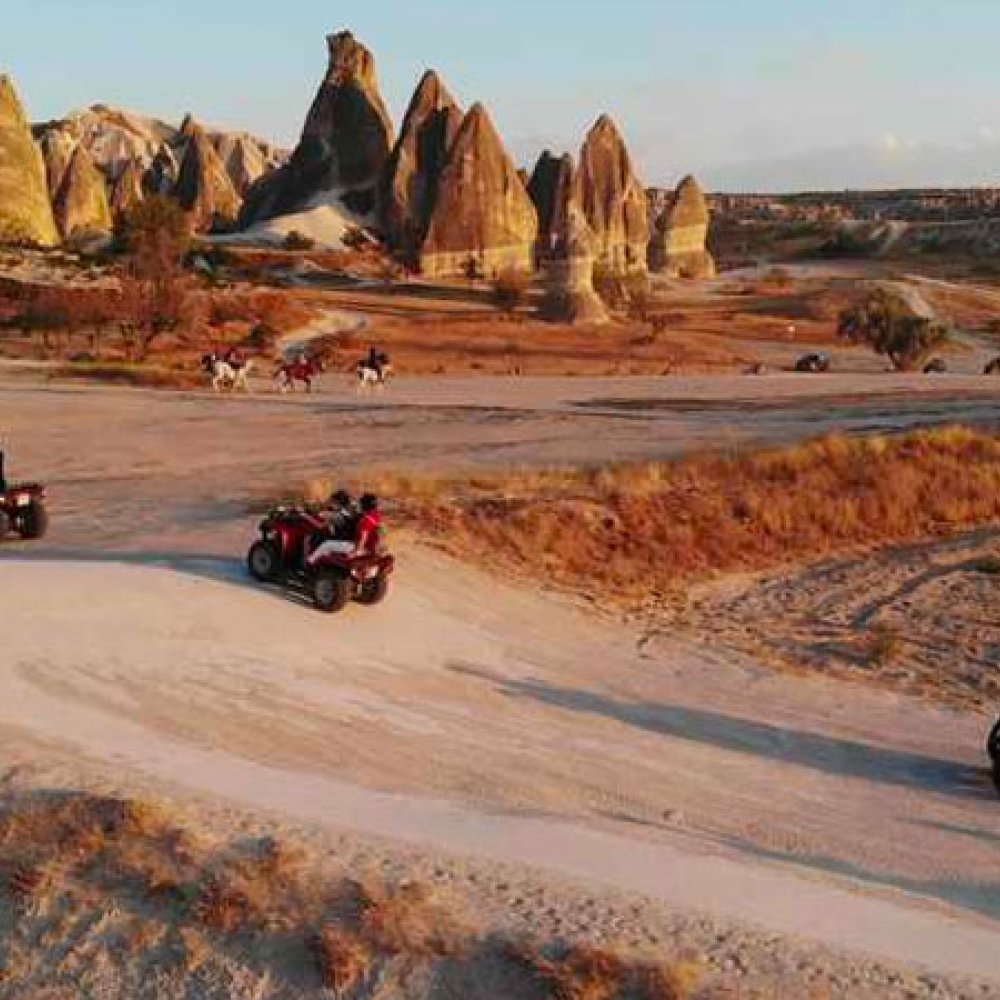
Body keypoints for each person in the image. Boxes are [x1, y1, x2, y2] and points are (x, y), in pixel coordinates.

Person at [306, 493, 382, 568]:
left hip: (356, 546)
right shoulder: (375, 516)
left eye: (361, 503)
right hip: (368, 547)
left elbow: (363, 537)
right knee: (328, 547)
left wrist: (356, 552)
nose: (359, 504)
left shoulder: (365, 520)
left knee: (326, 545)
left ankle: (308, 564)